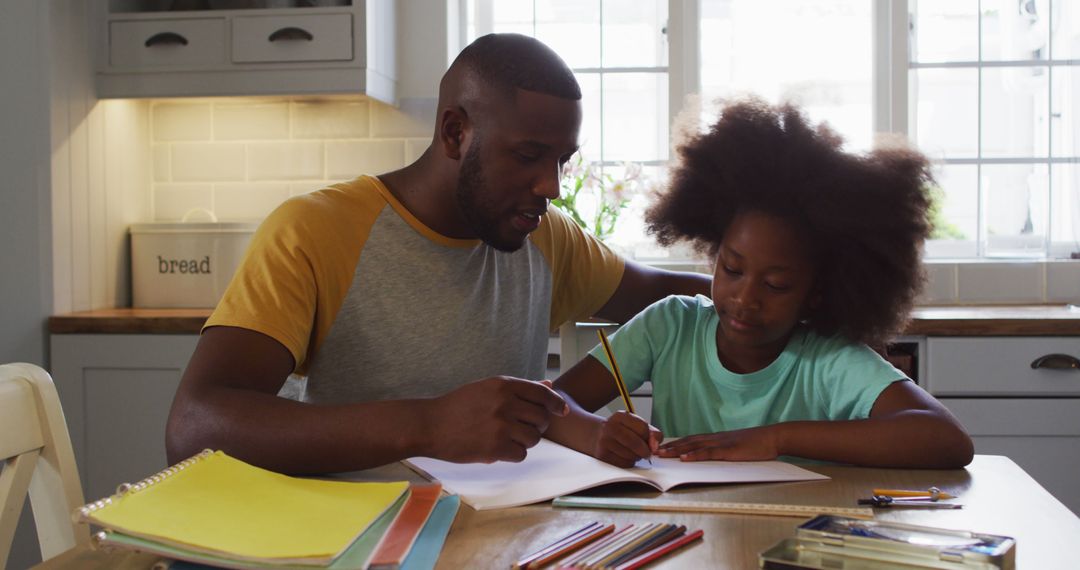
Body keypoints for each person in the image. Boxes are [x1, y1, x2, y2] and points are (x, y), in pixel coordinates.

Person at [164, 33, 711, 474]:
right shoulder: (314, 231)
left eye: (562, 160)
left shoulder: (546, 236)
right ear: (455, 132)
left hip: (490, 537)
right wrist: (427, 424)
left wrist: (785, 291)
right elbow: (194, 427)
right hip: (343, 543)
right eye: (528, 155)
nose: (551, 185)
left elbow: (669, 294)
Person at [544, 98, 974, 469]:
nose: (746, 299)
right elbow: (551, 408)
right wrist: (600, 433)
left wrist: (774, 439)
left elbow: (946, 439)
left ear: (817, 292)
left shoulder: (827, 358)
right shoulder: (669, 327)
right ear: (714, 253)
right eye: (732, 269)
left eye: (777, 285)